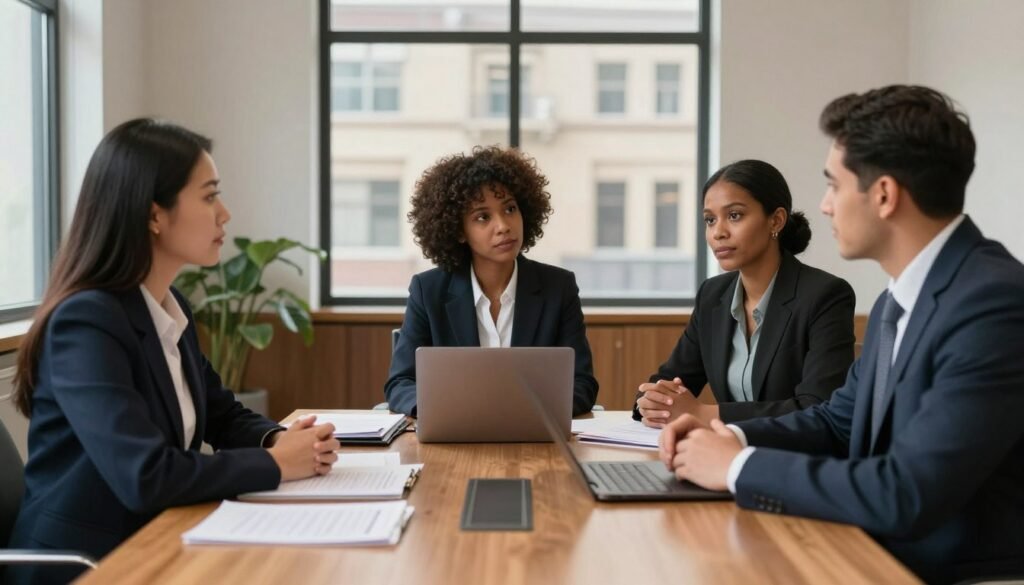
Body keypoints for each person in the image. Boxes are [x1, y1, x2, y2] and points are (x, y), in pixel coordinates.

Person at [659, 85, 1024, 584]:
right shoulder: (900, 299)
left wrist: (738, 467)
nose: (826, 206)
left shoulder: (993, 303)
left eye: (834, 184)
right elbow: (837, 422)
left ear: (884, 195)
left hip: (955, 571)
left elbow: (906, 492)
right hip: (877, 549)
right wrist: (725, 435)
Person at [6, 119, 339, 585]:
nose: (224, 213)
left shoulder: (167, 305)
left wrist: (276, 439)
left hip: (156, 539)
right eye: (208, 196)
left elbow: (221, 413)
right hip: (88, 566)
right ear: (154, 214)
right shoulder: (86, 323)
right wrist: (276, 464)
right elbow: (144, 475)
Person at [635, 160, 855, 428]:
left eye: (735, 215)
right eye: (710, 220)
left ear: (776, 220)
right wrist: (651, 401)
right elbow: (671, 379)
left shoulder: (825, 295)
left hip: (792, 458)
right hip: (723, 454)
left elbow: (818, 407)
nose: (718, 232)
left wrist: (708, 414)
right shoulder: (712, 295)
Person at [384, 146, 598, 417]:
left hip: (534, 437)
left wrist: (517, 411)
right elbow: (400, 384)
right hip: (455, 435)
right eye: (483, 217)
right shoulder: (429, 291)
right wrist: (444, 411)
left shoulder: (558, 287)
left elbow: (582, 384)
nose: (503, 225)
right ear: (459, 231)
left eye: (510, 209)